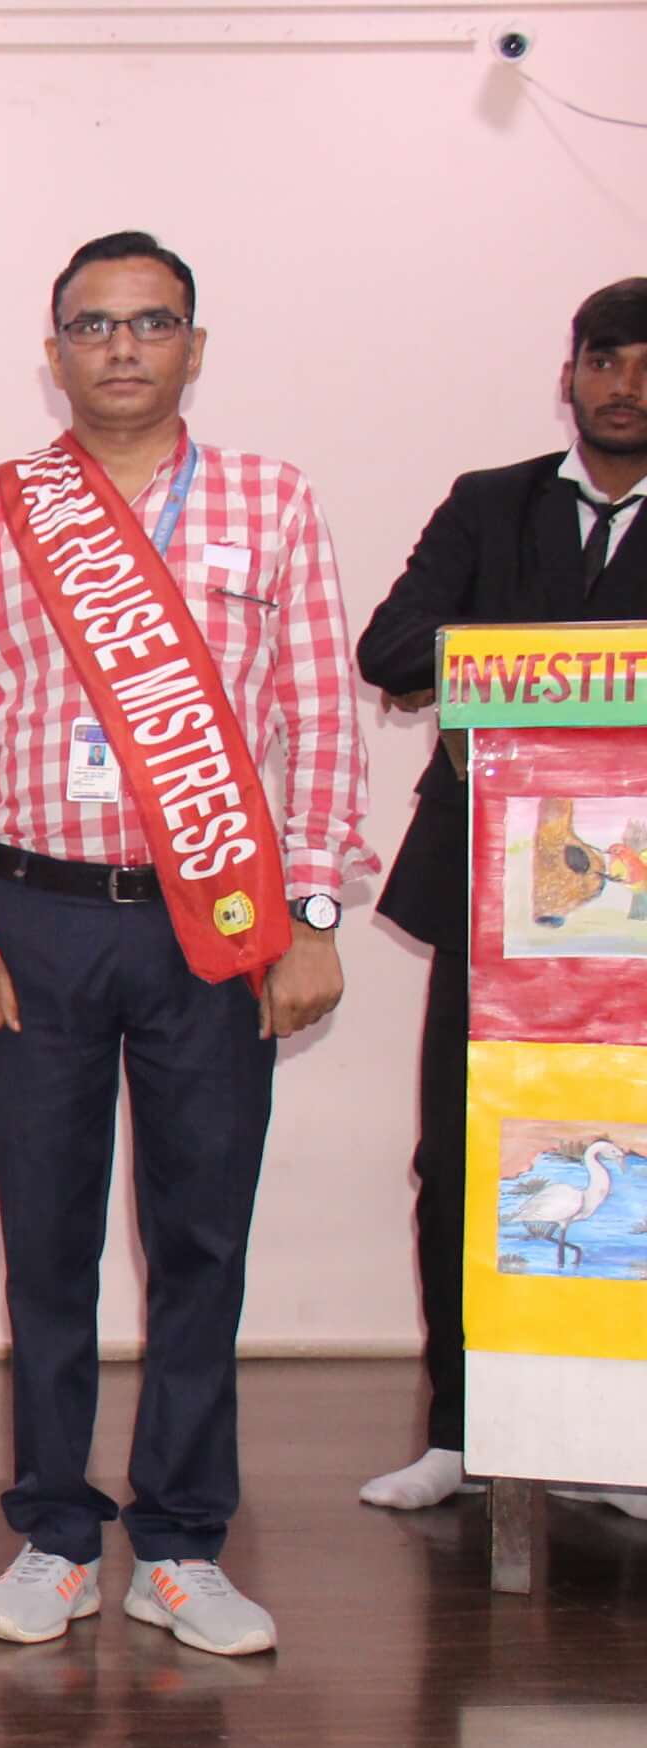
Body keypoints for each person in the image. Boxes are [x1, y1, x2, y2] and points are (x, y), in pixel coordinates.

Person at [0, 231, 366, 1657]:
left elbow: (322, 724)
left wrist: (313, 914)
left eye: (151, 322)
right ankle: (54, 1533)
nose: (122, 347)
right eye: (93, 325)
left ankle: (180, 1542)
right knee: (47, 1243)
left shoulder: (272, 501)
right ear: (53, 354)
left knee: (201, 1237)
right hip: (37, 917)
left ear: (194, 347)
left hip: (215, 920)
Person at [351, 277, 647, 1510]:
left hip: (634, 912)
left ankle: (617, 1441)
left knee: (624, 1160)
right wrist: (543, 669)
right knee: (468, 1157)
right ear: (568, 374)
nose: (625, 385)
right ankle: (460, 1431)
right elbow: (390, 648)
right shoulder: (490, 502)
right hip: (491, 897)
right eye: (605, 359)